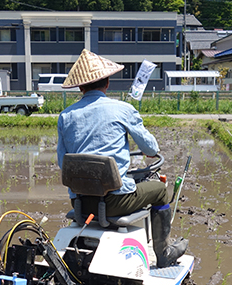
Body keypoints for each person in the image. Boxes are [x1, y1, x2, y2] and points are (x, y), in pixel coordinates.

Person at [57, 49, 187, 268]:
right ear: (107, 83)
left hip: (80, 203)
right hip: (115, 203)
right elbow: (151, 147)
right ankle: (163, 253)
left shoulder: (66, 116)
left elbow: (63, 163)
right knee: (159, 190)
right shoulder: (123, 109)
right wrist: (147, 150)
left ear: (80, 87)